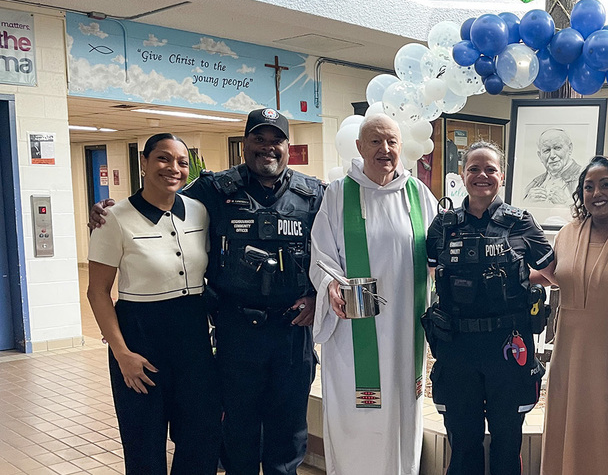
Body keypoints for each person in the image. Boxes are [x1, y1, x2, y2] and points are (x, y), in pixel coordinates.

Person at [90, 108, 324, 475]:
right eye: (258, 139)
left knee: (288, 430)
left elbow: (331, 252)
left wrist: (315, 296)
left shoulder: (315, 195)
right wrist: (108, 209)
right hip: (236, 331)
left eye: (275, 139)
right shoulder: (214, 190)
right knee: (237, 431)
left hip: (292, 331)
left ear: (287, 146)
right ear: (245, 144)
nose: (267, 148)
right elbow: (159, 198)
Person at [308, 113, 437, 475]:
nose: (385, 149)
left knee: (401, 411)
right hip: (354, 333)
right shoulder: (338, 194)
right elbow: (320, 256)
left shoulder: (418, 195)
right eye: (376, 141)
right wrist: (332, 283)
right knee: (357, 414)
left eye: (392, 141)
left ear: (401, 147)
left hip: (405, 331)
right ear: (360, 147)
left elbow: (438, 251)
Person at [87, 133, 221, 474]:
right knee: (144, 447)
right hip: (140, 341)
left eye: (181, 162)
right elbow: (98, 292)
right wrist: (122, 355)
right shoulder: (114, 219)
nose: (172, 168)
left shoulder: (199, 212)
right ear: (144, 162)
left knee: (200, 440)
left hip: (193, 341)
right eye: (163, 158)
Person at [425, 141, 556, 475]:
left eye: (490, 169)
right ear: (462, 175)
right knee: (462, 439)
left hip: (507, 346)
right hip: (457, 347)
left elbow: (554, 273)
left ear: (502, 176)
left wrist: (520, 276)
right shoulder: (443, 225)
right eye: (474, 169)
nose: (482, 175)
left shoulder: (521, 223)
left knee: (507, 438)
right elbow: (430, 272)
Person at [540, 156, 608, 475]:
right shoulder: (567, 234)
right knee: (569, 427)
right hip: (569, 355)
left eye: (606, 184)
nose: (596, 192)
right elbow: (557, 275)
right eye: (588, 186)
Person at [524, 128, 582, 205]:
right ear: (540, 156)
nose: (552, 155)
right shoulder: (535, 183)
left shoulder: (583, 177)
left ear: (570, 148)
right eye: (546, 150)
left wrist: (566, 203)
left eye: (557, 148)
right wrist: (528, 203)